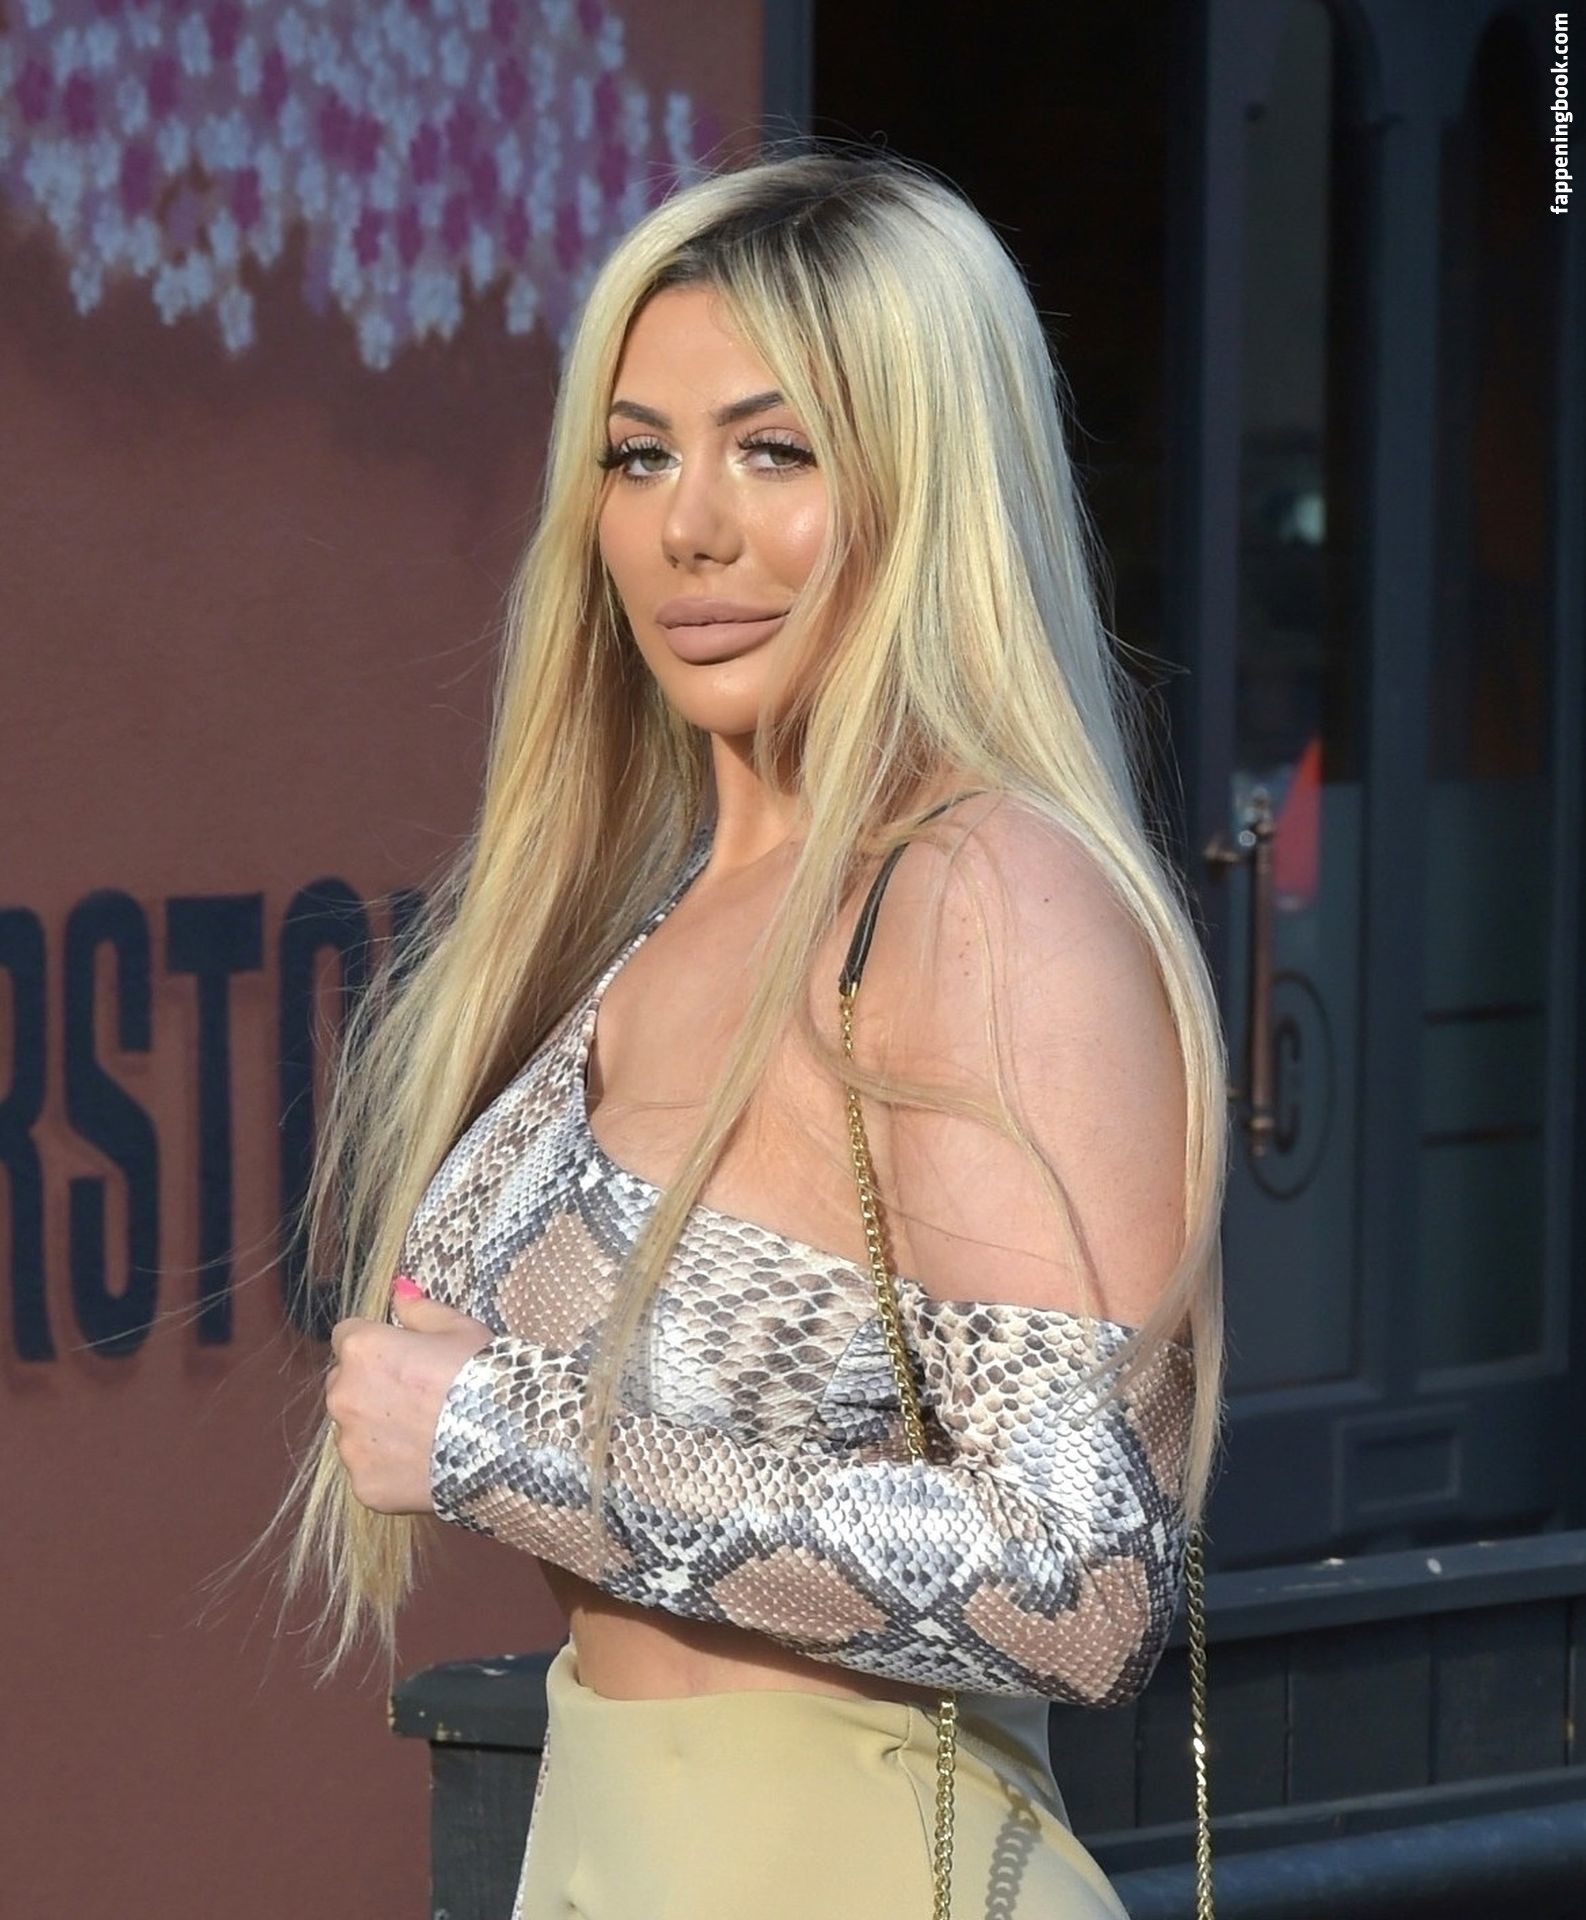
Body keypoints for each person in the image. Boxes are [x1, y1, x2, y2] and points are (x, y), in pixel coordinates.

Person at [283, 143, 1228, 1919]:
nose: (687, 528)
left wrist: (492, 1437)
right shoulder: (668, 902)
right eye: (638, 454)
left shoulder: (976, 898)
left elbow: (1083, 1580)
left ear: (927, 488)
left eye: (774, 450)